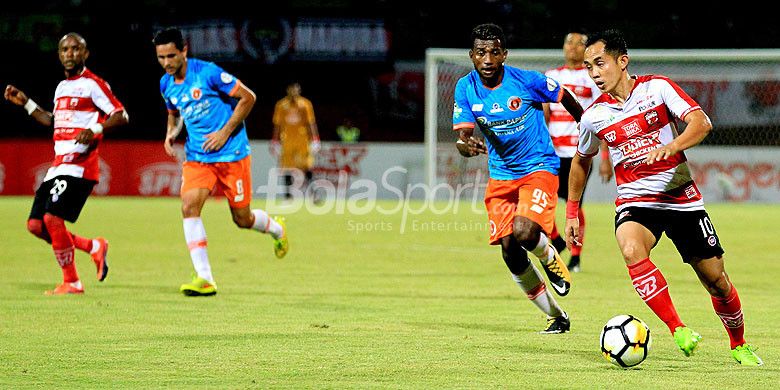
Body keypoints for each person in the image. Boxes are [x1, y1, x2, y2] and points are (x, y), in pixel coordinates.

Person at [565, 29, 762, 365]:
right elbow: (581, 160)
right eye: (588, 67)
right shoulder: (593, 116)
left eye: (600, 63)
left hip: (680, 197)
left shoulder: (657, 88)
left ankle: (739, 343)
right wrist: (571, 212)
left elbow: (701, 122)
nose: (595, 73)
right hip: (635, 202)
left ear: (622, 61)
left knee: (716, 280)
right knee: (630, 248)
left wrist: (672, 146)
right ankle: (678, 328)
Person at [453, 24, 584, 333]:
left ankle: (552, 259)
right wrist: (465, 146)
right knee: (510, 251)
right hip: (501, 176)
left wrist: (586, 126)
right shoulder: (466, 87)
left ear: (504, 55)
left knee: (525, 233)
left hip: (539, 167)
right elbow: (463, 137)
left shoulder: (526, 81)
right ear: (472, 56)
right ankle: (557, 315)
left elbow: (564, 96)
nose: (487, 59)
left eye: (494, 52)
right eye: (481, 53)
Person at [153, 27, 289, 297]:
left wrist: (224, 133)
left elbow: (248, 97)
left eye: (171, 56)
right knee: (189, 206)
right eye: (161, 57)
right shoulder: (165, 83)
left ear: (184, 51)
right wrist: (170, 133)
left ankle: (276, 229)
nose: (166, 63)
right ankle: (205, 278)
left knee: (242, 218)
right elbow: (173, 112)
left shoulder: (208, 73)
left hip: (232, 155)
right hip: (198, 158)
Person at [4, 33, 127, 295]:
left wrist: (94, 129)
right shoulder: (61, 87)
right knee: (36, 225)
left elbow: (121, 115)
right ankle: (93, 246)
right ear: (59, 55)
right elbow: (52, 122)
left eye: (75, 49)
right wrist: (26, 102)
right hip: (58, 166)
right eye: (64, 50)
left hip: (80, 166)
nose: (69, 54)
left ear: (85, 54)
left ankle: (72, 281)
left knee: (52, 218)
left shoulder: (94, 84)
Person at [544, 29, 612, 273]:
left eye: (578, 43)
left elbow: (601, 119)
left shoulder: (591, 77)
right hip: (552, 153)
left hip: (579, 153)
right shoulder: (551, 76)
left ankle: (575, 256)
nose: (572, 46)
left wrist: (605, 159)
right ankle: (558, 241)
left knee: (575, 204)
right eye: (568, 42)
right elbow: (545, 115)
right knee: (544, 202)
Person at [270, 82, 320, 199]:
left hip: (302, 140)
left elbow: (311, 123)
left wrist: (315, 139)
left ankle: (314, 194)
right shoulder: (281, 105)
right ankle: (288, 195)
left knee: (307, 166)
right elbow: (277, 125)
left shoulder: (305, 104)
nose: (294, 91)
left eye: (296, 88)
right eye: (291, 88)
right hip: (287, 140)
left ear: (299, 90)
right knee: (287, 167)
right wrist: (275, 140)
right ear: (288, 89)